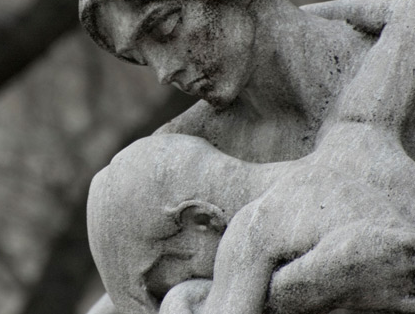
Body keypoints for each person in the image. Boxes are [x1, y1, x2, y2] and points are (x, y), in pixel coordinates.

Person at [79, 0, 415, 313]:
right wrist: (309, 288)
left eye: (165, 28)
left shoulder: (395, 61)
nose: (164, 72)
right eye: (141, 57)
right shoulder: (183, 154)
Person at [88, 133, 415, 314]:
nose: (203, 282)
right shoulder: (327, 167)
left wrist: (184, 300)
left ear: (201, 220)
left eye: (178, 278)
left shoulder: (253, 231)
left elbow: (394, 253)